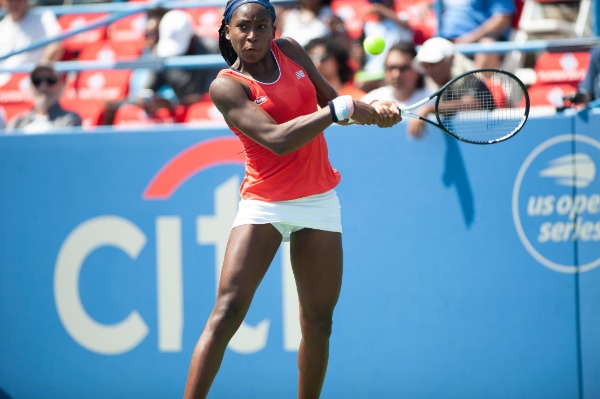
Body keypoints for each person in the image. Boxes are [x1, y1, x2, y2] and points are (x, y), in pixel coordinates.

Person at [182, 1, 401, 398]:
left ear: (273, 28)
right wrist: (337, 111)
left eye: (261, 26)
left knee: (319, 323)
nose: (252, 36)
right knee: (227, 312)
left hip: (318, 199)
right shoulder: (226, 85)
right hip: (264, 202)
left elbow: (333, 102)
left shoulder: (292, 51)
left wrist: (374, 111)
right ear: (227, 31)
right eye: (243, 27)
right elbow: (278, 140)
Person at [361, 41, 433, 138]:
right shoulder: (370, 98)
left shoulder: (432, 99)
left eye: (403, 68)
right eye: (391, 68)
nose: (396, 75)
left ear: (417, 69)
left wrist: (428, 109)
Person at [354, 0, 414, 90]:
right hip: (372, 72)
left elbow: (405, 24)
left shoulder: (401, 17)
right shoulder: (369, 25)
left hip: (393, 72)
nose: (376, 6)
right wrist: (359, 55)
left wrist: (381, 9)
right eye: (374, 3)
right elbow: (360, 54)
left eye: (381, 2)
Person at [6, 62, 81, 133]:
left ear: (61, 86)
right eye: (37, 81)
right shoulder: (17, 122)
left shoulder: (70, 119)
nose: (43, 86)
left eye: (50, 80)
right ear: (30, 86)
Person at [438, 0, 515, 69]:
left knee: (487, 46)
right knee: (432, 48)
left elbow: (502, 19)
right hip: (447, 41)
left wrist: (470, 38)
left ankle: (479, 84)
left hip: (481, 41)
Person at [0, 0, 64, 68]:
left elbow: (55, 45)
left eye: (18, 0)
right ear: (3, 2)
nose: (14, 3)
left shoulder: (44, 17)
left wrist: (41, 69)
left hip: (31, 74)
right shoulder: (2, 26)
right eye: (9, 0)